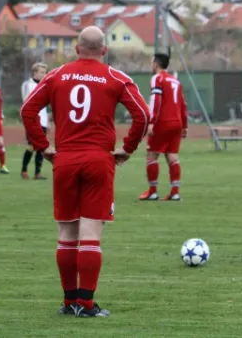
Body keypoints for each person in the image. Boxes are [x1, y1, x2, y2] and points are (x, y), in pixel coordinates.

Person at [21, 26, 150, 317]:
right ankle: (87, 304)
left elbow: (28, 110)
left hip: (64, 160)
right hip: (98, 161)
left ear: (76, 49)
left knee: (67, 231)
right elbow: (143, 115)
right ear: (104, 50)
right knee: (91, 234)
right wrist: (128, 148)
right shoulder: (116, 78)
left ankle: (69, 303)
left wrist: (43, 147)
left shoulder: (56, 75)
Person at [139, 53, 188, 201]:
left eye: (151, 61)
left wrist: (152, 122)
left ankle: (153, 191)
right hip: (177, 122)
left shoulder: (157, 79)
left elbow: (156, 100)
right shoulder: (175, 81)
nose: (150, 64)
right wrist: (184, 125)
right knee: (172, 155)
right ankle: (175, 192)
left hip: (163, 122)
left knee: (152, 155)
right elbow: (182, 104)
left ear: (156, 64)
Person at [21, 62, 49, 180]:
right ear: (34, 73)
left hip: (43, 120)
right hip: (33, 121)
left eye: (45, 72)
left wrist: (47, 119)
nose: (44, 74)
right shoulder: (28, 85)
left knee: (42, 147)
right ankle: (24, 170)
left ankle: (37, 173)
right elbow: (26, 102)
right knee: (32, 146)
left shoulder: (46, 85)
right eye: (42, 72)